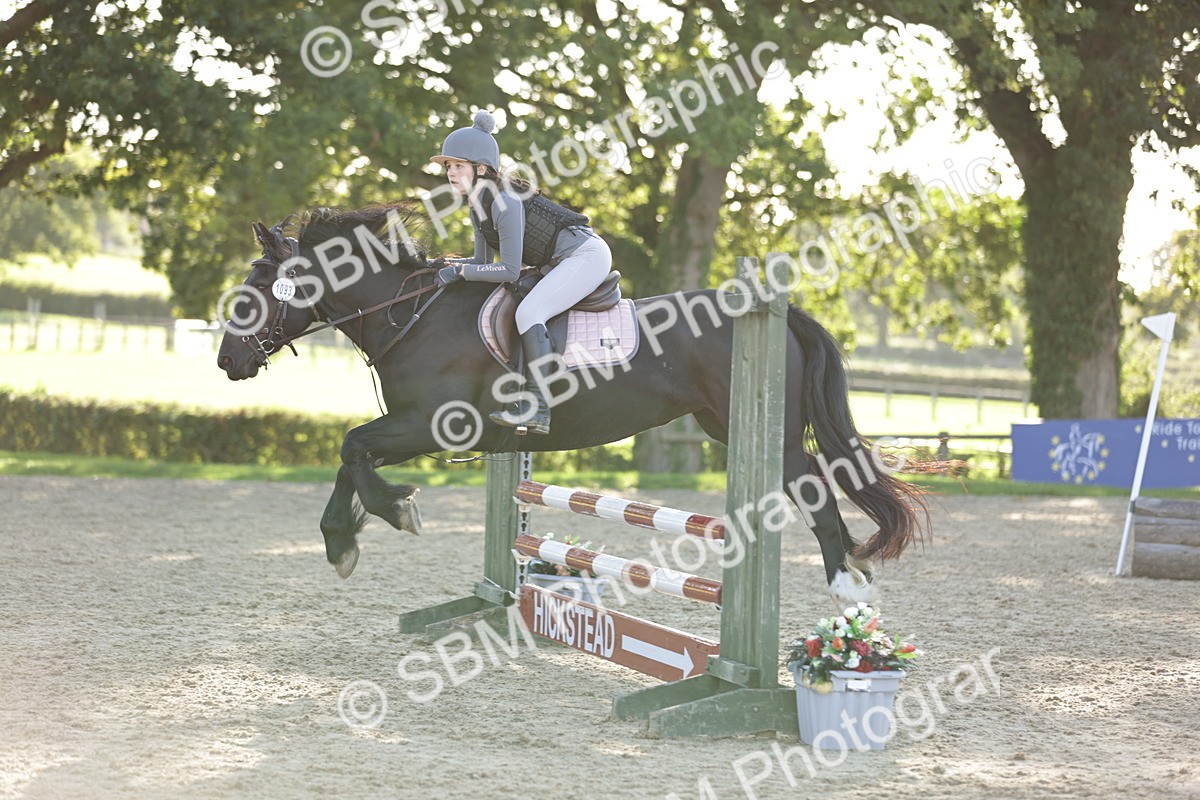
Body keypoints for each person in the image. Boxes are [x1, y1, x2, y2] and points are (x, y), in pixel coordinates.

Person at [430, 110, 612, 435]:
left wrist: (460, 275)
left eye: (458, 166)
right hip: (559, 262)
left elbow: (509, 271)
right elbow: (481, 262)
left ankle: (538, 409)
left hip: (586, 255)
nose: (451, 172)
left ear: (481, 168)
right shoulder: (477, 205)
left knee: (529, 311)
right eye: (448, 166)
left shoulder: (505, 203)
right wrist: (448, 266)